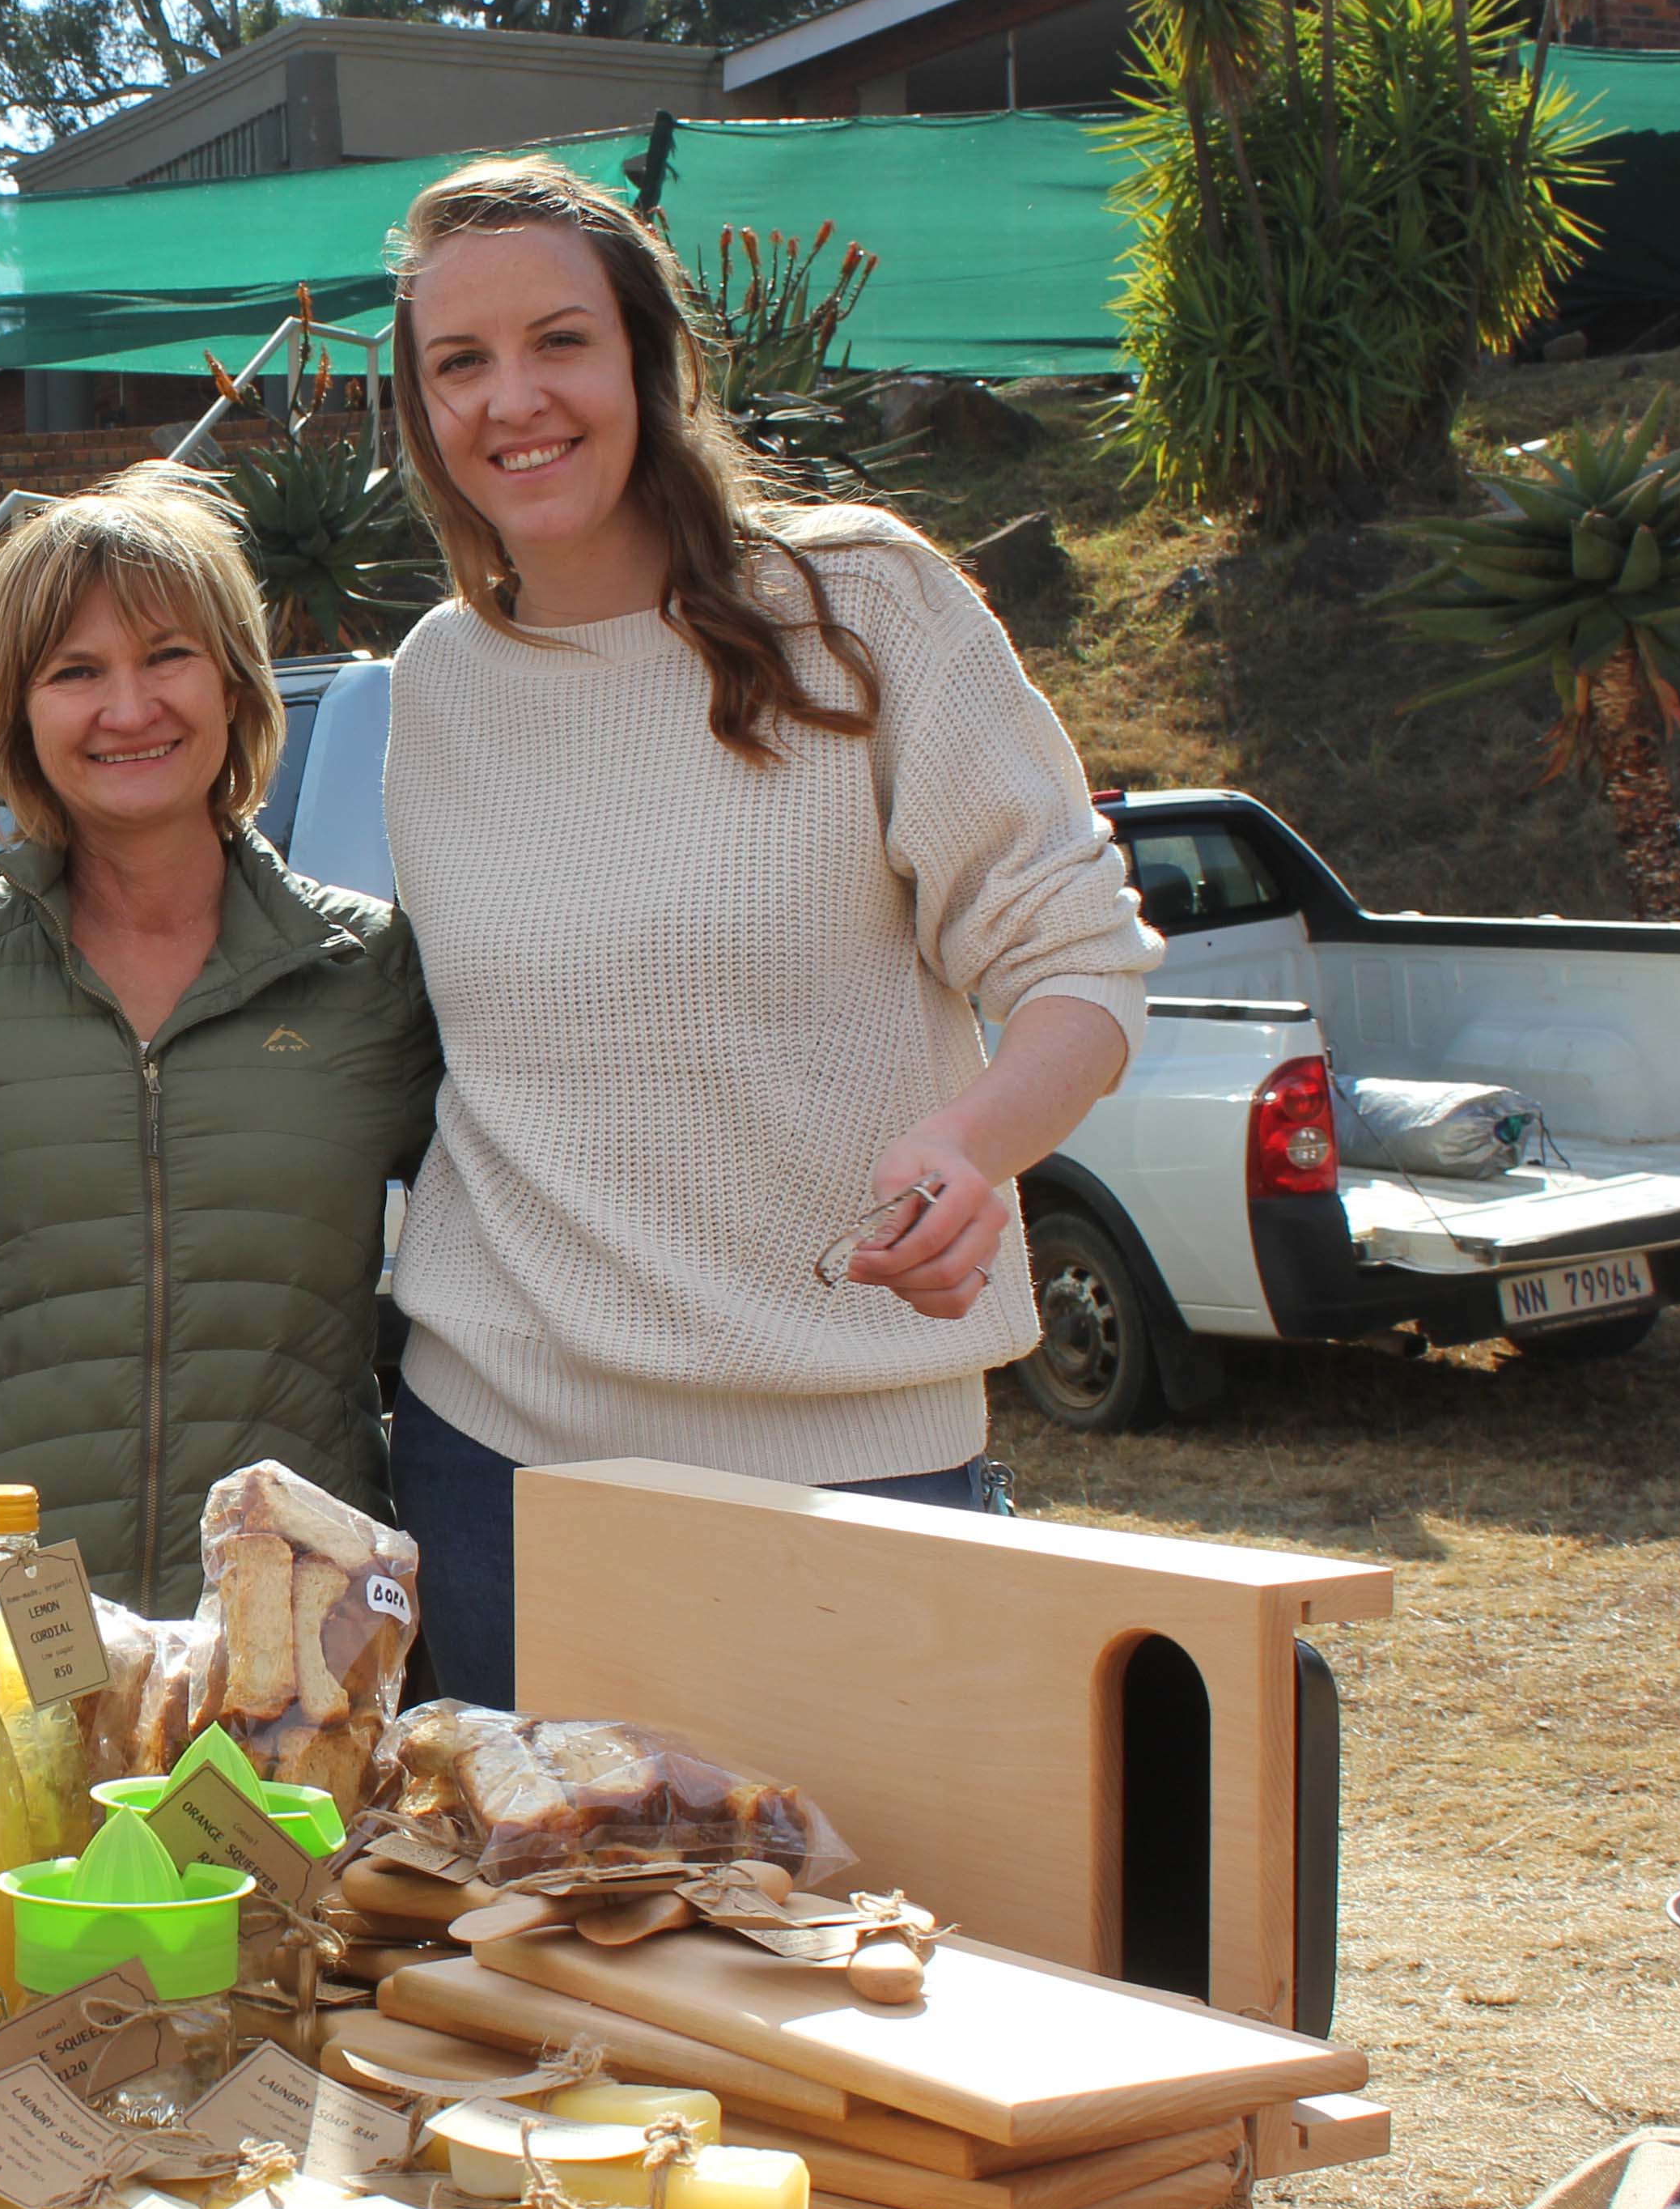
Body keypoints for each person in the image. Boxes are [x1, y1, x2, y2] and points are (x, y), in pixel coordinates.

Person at [375, 156, 1160, 1703]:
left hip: (854, 1463)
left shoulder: (861, 603)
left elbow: (1081, 964)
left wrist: (974, 1146)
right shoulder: (437, 681)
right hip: (491, 1468)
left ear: (650, 359)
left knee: (861, 1874)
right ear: (422, 408)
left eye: (559, 341)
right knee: (512, 1876)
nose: (512, 399)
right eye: (459, 362)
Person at [0, 462, 442, 1612]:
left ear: (235, 684)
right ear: (18, 712)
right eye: (76, 672)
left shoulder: (370, 975)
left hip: (284, 1623)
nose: (128, 708)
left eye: (168, 656)